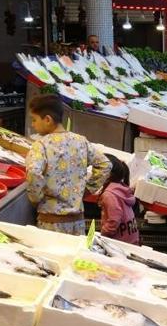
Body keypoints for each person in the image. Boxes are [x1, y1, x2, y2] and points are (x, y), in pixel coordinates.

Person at [26, 94, 112, 235]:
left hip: (50, 223)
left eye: (34, 119)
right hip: (77, 222)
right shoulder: (81, 141)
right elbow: (105, 164)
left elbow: (33, 172)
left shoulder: (41, 145)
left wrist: (36, 198)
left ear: (47, 120)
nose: (32, 124)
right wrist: (87, 190)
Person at [99, 154, 139, 245]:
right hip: (131, 241)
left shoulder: (109, 195)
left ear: (107, 174)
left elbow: (114, 220)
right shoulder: (120, 187)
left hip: (120, 244)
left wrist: (103, 235)